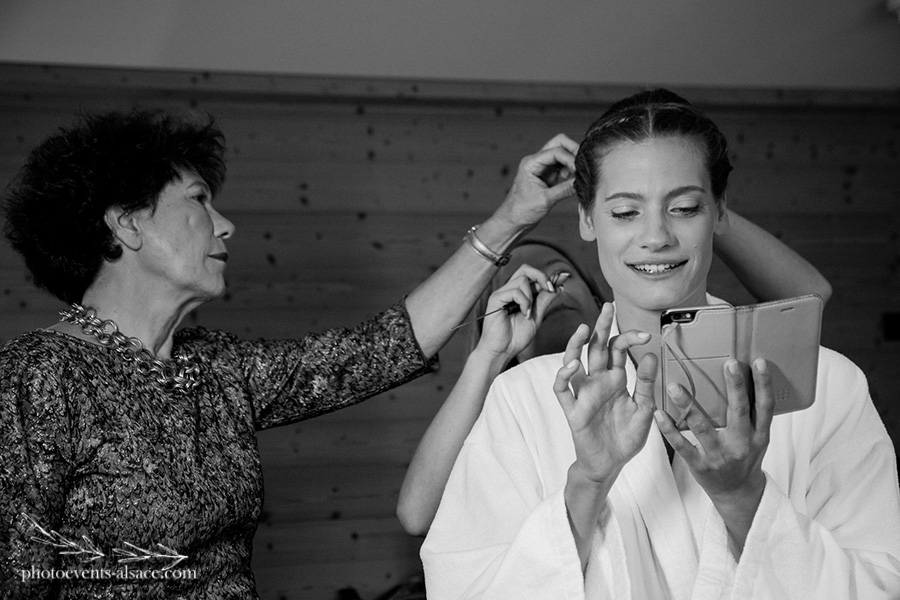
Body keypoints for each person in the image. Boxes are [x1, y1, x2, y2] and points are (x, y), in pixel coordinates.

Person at [0, 110, 577, 599]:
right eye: (199, 200)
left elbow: (379, 349)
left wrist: (512, 218)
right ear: (127, 224)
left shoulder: (217, 367)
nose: (226, 225)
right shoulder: (39, 376)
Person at [420, 89, 900, 599]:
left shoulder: (825, 386)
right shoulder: (522, 400)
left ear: (719, 212)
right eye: (625, 212)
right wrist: (588, 481)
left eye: (685, 208)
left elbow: (879, 585)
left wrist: (744, 499)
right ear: (587, 219)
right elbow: (460, 585)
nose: (656, 236)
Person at [397, 223, 832, 537]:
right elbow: (417, 515)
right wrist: (488, 356)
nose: (547, 292)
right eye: (520, 291)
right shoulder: (510, 407)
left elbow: (811, 295)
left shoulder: (679, 358)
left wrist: (703, 202)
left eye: (559, 275)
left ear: (595, 296)